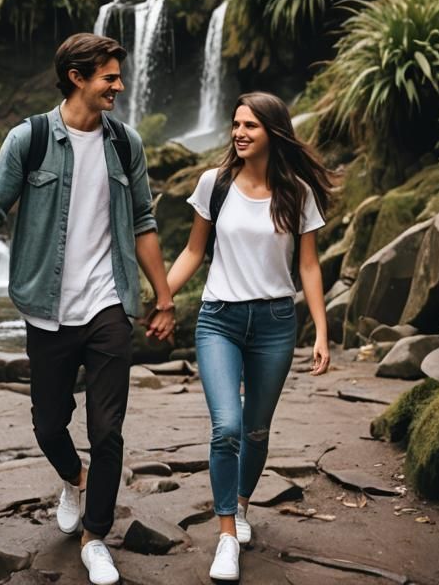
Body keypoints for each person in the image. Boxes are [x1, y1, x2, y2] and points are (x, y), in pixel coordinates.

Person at [0, 32, 175, 585]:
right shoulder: (29, 139)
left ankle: (95, 537)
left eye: (119, 76)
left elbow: (144, 221)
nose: (119, 86)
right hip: (47, 308)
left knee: (108, 430)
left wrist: (164, 296)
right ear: (78, 77)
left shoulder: (125, 144)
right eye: (109, 77)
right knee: (48, 422)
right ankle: (72, 477)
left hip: (109, 304)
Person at [165, 92, 334, 582]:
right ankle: (224, 538)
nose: (239, 133)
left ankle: (239, 507)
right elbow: (194, 251)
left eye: (250, 126)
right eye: (235, 125)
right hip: (219, 319)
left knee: (257, 430)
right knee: (228, 428)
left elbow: (308, 265)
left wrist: (321, 331)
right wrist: (159, 298)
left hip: (276, 325)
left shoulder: (298, 193)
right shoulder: (214, 184)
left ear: (273, 133)